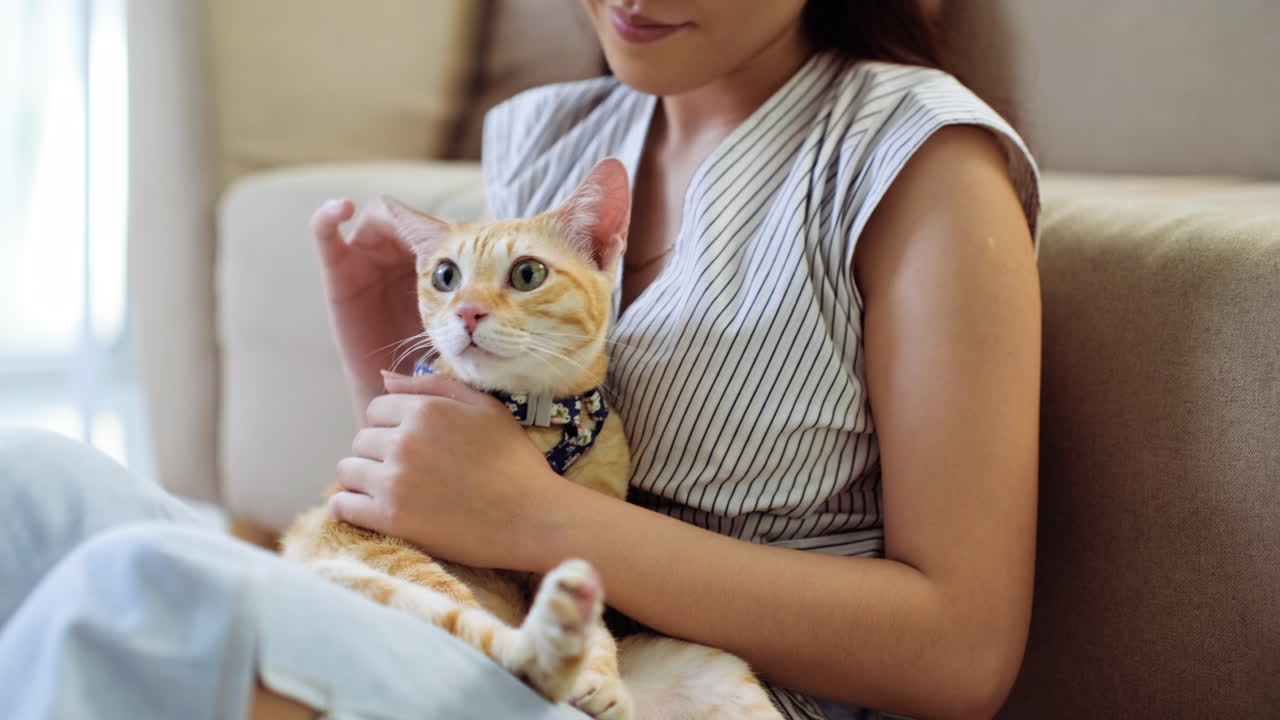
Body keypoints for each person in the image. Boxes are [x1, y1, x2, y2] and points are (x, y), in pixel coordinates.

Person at [0, 1, 1039, 718]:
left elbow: (961, 655)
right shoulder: (554, 136)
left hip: (671, 696)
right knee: (23, 485)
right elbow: (474, 504)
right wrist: (384, 345)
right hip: (494, 638)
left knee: (141, 595)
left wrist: (535, 515)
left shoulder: (915, 161)